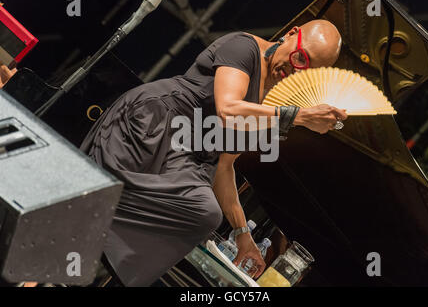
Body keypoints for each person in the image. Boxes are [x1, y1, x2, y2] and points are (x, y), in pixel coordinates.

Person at [80, 19, 347, 287]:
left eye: (307, 71)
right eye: (300, 58)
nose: (296, 69)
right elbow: (228, 109)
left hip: (188, 158)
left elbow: (223, 166)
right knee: (93, 214)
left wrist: (243, 234)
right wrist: (297, 117)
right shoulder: (244, 48)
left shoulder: (274, 105)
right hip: (154, 127)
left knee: (206, 213)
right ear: (291, 35)